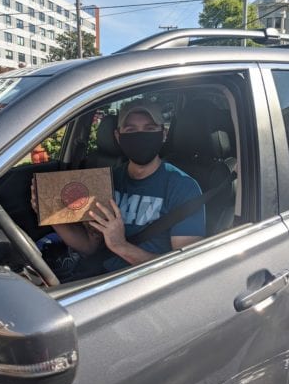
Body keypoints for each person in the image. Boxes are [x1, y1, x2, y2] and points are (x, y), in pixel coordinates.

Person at [31, 100, 205, 278]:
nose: (140, 136)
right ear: (118, 136)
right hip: (101, 277)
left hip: (145, 285)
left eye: (150, 129)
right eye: (130, 130)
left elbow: (185, 269)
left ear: (164, 134)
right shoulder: (107, 180)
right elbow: (90, 246)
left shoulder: (184, 187)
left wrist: (121, 246)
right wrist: (50, 215)